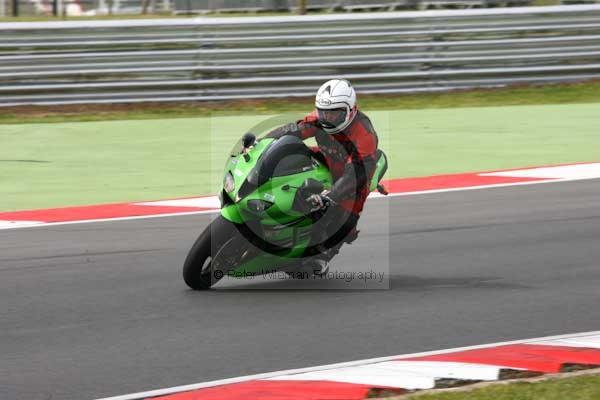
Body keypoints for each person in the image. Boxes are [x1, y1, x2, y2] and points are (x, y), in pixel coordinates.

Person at [266, 79, 379, 274]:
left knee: (343, 216)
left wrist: (329, 197)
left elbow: (354, 176)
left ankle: (322, 256)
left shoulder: (364, 134)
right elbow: (292, 130)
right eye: (323, 111)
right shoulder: (319, 119)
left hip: (354, 173)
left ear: (351, 110)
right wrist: (261, 143)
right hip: (327, 158)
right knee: (292, 152)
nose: (327, 117)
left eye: (335, 113)